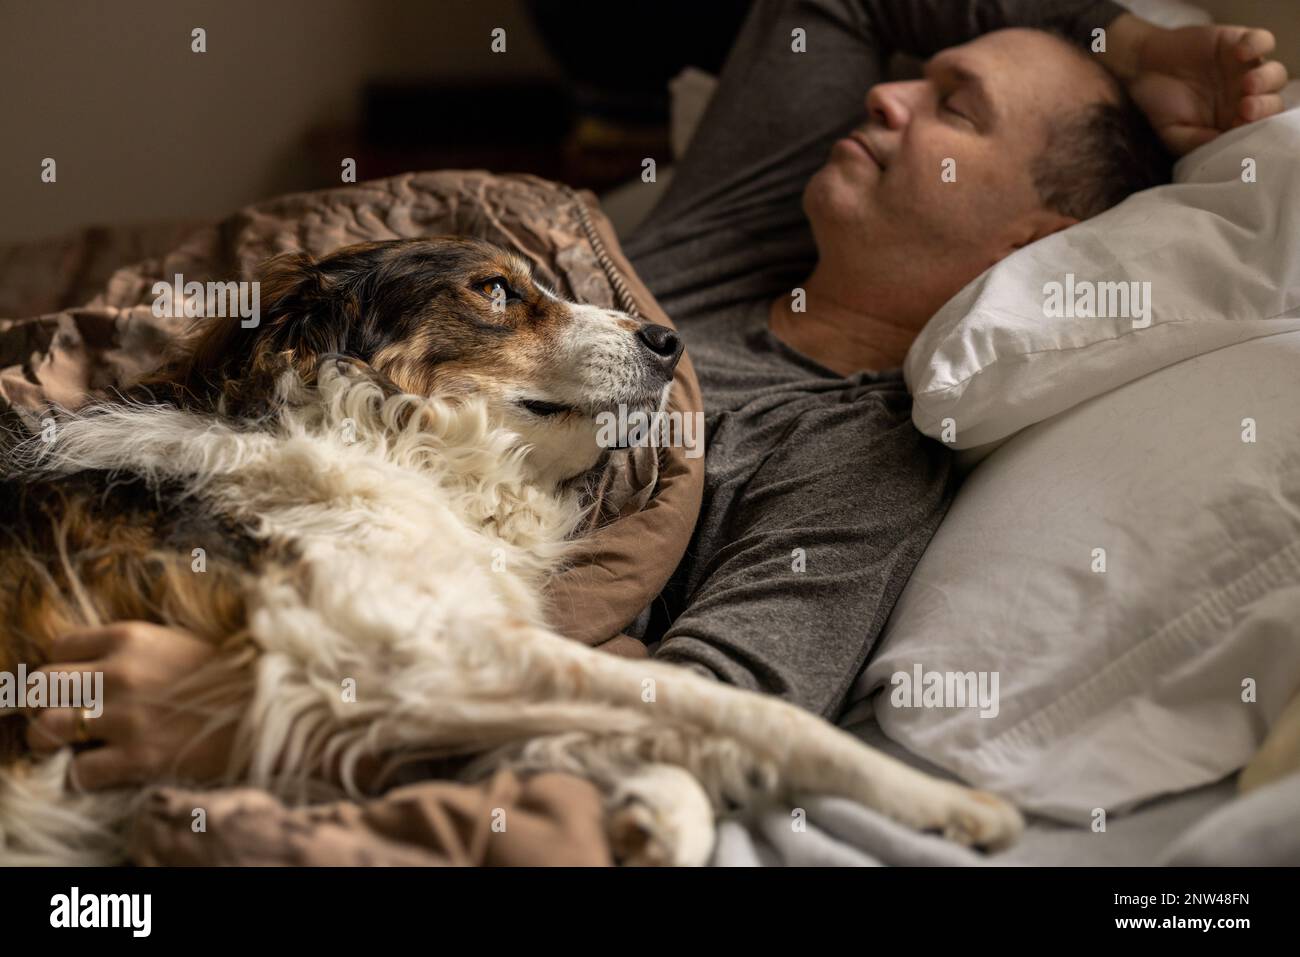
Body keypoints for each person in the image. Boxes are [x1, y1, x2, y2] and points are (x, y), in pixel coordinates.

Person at [24, 0, 1289, 788]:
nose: (887, 95)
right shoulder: (743, 220)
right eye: (922, 73)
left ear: (1031, 237)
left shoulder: (847, 461)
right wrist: (1129, 38)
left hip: (216, 606)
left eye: (953, 108)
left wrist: (230, 713)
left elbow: (713, 708)